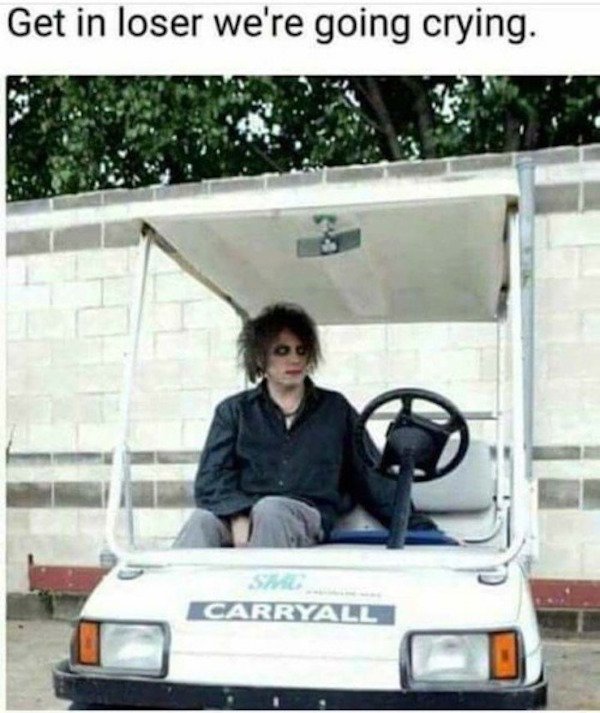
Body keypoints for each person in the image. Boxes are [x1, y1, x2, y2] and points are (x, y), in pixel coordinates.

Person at [173, 302, 434, 548]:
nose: (295, 359)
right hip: (244, 512)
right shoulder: (234, 411)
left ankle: (261, 581)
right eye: (282, 351)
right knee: (201, 521)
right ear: (260, 358)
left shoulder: (335, 409)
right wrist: (238, 514)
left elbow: (371, 476)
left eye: (301, 350)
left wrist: (421, 531)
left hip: (306, 514)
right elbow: (211, 479)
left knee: (271, 510)